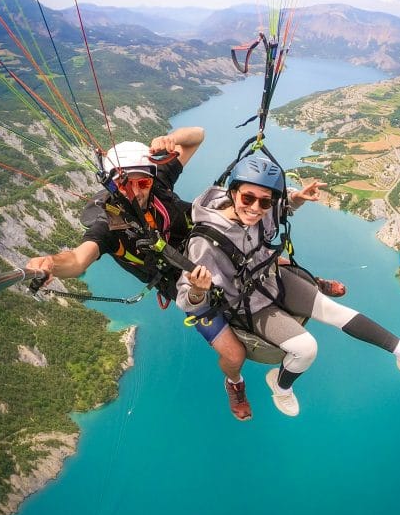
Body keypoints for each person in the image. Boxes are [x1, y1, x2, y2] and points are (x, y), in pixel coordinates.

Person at [177, 153, 400, 417]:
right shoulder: (205, 242)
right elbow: (185, 297)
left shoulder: (259, 211)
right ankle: (280, 387)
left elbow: (279, 210)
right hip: (247, 303)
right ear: (233, 193)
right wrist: (199, 291)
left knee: (333, 310)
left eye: (264, 202)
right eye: (248, 198)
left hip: (271, 279)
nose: (256, 208)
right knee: (306, 349)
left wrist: (295, 198)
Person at [25, 126, 252, 420]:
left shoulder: (159, 184)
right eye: (124, 183)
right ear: (113, 185)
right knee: (234, 355)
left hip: (209, 250)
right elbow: (80, 260)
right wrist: (51, 264)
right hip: (185, 284)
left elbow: (197, 135)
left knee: (257, 246)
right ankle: (235, 382)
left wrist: (169, 140)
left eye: (142, 182)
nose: (135, 190)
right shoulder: (108, 226)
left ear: (151, 177)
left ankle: (310, 287)